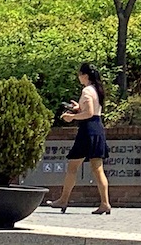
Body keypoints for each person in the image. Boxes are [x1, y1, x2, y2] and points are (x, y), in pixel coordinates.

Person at [45, 62, 111, 214]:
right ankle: (105, 203)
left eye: (80, 74)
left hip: (87, 130)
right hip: (98, 128)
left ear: (85, 75)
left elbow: (88, 113)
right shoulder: (96, 90)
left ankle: (63, 199)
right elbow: (92, 111)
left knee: (73, 166)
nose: (78, 77)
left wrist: (72, 116)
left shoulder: (87, 90)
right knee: (98, 168)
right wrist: (78, 108)